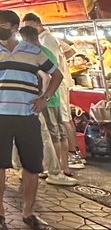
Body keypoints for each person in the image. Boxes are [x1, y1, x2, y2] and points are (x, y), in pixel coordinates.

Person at [0, 10, 63, 230]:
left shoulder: (33, 51)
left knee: (32, 166)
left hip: (27, 116)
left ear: (15, 28)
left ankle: (29, 212)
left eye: (3, 24)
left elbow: (57, 75)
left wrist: (45, 98)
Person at [22, 13, 84, 170]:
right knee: (61, 126)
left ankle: (60, 165)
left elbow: (49, 74)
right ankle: (64, 164)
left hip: (52, 92)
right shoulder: (48, 40)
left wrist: (44, 97)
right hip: (54, 91)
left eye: (29, 25)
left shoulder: (45, 43)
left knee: (56, 130)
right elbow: (69, 52)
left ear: (38, 24)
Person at [18, 26, 77, 187]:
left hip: (48, 99)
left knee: (52, 135)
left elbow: (46, 77)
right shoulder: (44, 50)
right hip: (52, 97)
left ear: (24, 38)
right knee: (57, 133)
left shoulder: (37, 51)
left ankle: (55, 169)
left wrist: (43, 97)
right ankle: (59, 166)